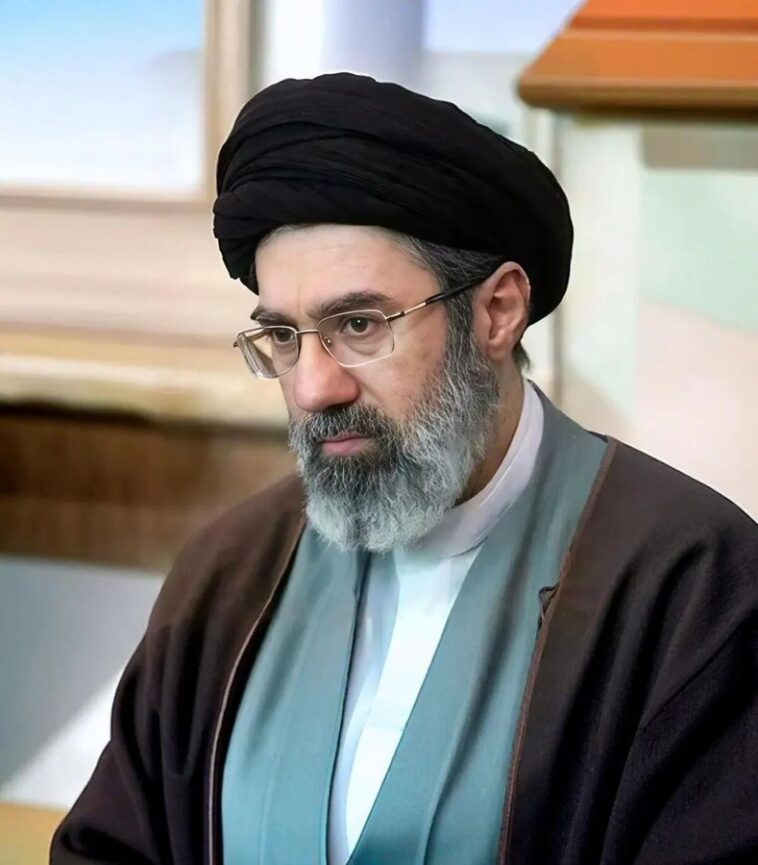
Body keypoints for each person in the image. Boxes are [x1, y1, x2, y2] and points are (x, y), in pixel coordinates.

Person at [52, 73, 757, 865]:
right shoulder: (229, 573)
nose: (314, 387)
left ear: (497, 312)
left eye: (358, 324)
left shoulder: (692, 585)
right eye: (283, 337)